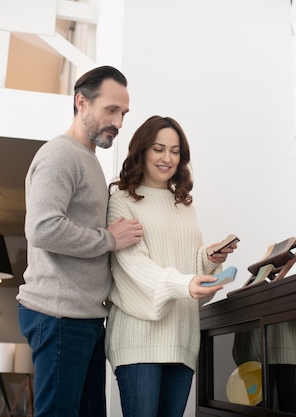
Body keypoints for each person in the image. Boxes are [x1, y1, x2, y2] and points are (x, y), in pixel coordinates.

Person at [16, 65, 144, 417]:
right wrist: (108, 239)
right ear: (81, 103)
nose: (118, 122)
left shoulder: (88, 159)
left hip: (83, 316)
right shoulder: (60, 155)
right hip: (58, 313)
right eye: (111, 110)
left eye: (123, 114)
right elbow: (42, 228)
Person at [105, 115, 237, 417]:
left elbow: (185, 258)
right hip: (139, 337)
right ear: (142, 151)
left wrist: (209, 257)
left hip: (182, 336)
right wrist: (184, 284)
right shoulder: (122, 201)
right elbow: (132, 265)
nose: (167, 158)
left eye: (175, 151)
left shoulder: (183, 203)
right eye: (159, 149)